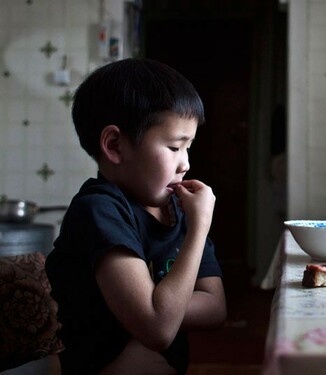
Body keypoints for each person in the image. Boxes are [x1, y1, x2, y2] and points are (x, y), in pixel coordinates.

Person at [45, 58, 227, 374]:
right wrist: (199, 230)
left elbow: (215, 307)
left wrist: (153, 309)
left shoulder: (179, 211)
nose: (185, 163)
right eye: (174, 147)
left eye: (189, 147)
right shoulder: (100, 210)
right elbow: (158, 329)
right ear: (115, 145)